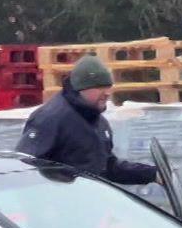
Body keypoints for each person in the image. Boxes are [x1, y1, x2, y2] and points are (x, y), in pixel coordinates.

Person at [18, 55, 157, 186]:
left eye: (108, 86)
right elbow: (27, 166)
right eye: (99, 87)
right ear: (81, 88)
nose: (107, 93)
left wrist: (152, 174)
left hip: (91, 202)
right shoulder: (51, 118)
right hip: (61, 205)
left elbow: (107, 167)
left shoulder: (97, 120)